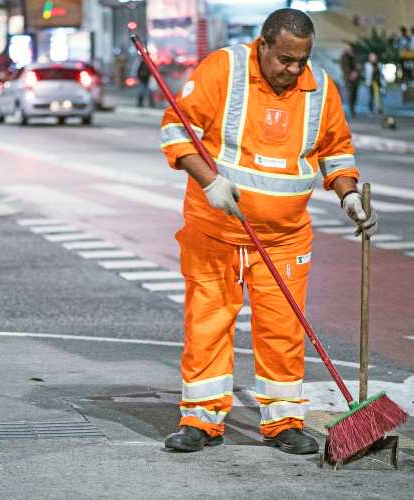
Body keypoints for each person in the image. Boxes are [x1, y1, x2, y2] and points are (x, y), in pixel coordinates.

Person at [159, 8, 377, 454]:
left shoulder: (319, 88)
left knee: (282, 330)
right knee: (208, 325)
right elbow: (177, 131)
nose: (294, 70)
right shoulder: (224, 69)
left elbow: (336, 151)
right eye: (285, 60)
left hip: (284, 237)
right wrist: (210, 182)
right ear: (263, 46)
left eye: (302, 60)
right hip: (216, 229)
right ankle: (201, 421)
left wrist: (348, 195)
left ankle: (283, 422)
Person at [340, 41, 359, 117]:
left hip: (355, 78)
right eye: (347, 47)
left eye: (349, 47)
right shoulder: (344, 56)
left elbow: (358, 66)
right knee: (350, 94)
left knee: (354, 94)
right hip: (348, 78)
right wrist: (350, 74)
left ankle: (352, 109)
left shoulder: (353, 56)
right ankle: (351, 110)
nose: (348, 48)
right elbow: (344, 68)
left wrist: (356, 73)